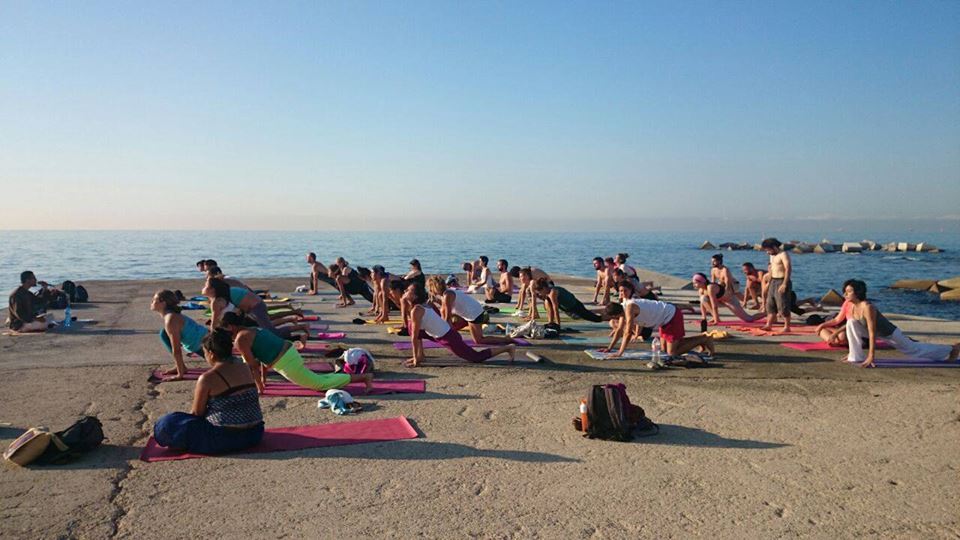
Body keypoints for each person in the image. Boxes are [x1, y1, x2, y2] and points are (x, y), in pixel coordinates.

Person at [152, 328, 265, 454]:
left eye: (204, 353)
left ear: (211, 354)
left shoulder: (207, 378)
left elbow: (197, 413)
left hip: (224, 439)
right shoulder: (245, 367)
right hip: (255, 434)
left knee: (167, 423)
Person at [222, 312, 373, 392]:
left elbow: (252, 365)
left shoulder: (241, 339)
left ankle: (364, 377)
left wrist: (260, 388)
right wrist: (263, 382)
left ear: (230, 326)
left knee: (318, 384)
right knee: (316, 378)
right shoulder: (251, 330)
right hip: (288, 353)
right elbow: (260, 359)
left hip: (286, 362)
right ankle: (355, 377)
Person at [839, 279, 959, 367]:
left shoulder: (867, 307)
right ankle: (855, 356)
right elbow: (852, 327)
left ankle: (951, 349)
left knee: (914, 350)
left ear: (858, 293)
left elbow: (872, 332)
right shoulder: (851, 305)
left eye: (849, 292)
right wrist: (851, 351)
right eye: (845, 291)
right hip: (877, 333)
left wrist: (871, 356)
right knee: (851, 323)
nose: (845, 294)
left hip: (890, 333)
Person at [404, 283, 515, 367]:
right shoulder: (421, 306)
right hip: (438, 334)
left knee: (476, 358)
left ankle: (507, 348)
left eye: (407, 291)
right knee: (412, 327)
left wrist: (415, 360)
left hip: (448, 337)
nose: (405, 292)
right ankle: (421, 356)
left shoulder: (417, 310)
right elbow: (417, 334)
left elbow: (414, 337)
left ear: (414, 296)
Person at [600, 281, 716, 360]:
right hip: (663, 320)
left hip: (671, 316)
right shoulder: (622, 307)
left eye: (614, 317)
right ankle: (701, 339)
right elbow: (620, 330)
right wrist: (610, 348)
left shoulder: (629, 308)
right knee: (665, 350)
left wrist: (620, 353)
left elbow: (627, 333)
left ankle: (704, 338)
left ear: (617, 313)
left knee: (672, 353)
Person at [427, 275, 512, 345]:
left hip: (475, 314)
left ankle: (506, 340)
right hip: (471, 313)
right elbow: (446, 307)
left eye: (430, 289)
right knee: (451, 324)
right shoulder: (447, 293)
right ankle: (454, 337)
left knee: (479, 340)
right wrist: (436, 301)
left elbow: (447, 315)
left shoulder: (447, 295)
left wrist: (443, 330)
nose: (430, 291)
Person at [203, 278, 301, 337]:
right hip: (254, 307)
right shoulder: (223, 295)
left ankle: (301, 330)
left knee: (271, 333)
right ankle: (294, 324)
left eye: (206, 286)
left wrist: (212, 332)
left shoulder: (220, 298)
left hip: (256, 307)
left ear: (213, 289)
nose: (203, 288)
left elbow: (216, 318)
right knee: (266, 328)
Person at [152, 289, 208, 380]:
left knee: (227, 367)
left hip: (208, 345)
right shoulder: (171, 316)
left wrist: (180, 375)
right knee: (164, 333)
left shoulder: (171, 319)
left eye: (154, 300)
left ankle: (181, 368)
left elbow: (177, 350)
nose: (152, 302)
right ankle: (181, 366)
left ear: (163, 303)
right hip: (201, 344)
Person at [691, 273, 762, 324]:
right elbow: (702, 304)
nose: (694, 285)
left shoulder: (710, 287)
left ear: (702, 282)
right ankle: (715, 317)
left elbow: (714, 305)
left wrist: (716, 321)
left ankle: (767, 314)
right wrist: (704, 318)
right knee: (703, 298)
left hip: (730, 301)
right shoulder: (701, 290)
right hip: (720, 301)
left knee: (749, 319)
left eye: (695, 283)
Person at [531, 278, 603, 327]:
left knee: (596, 319)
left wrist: (558, 325)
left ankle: (609, 316)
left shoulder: (553, 293)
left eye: (540, 292)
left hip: (575, 306)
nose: (540, 294)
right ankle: (551, 322)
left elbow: (555, 310)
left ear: (544, 288)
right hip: (567, 309)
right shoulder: (547, 293)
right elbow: (550, 308)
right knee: (547, 301)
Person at [760, 238, 793, 334]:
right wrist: (768, 281)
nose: (767, 252)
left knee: (783, 305)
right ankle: (768, 324)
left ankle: (787, 326)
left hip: (782, 280)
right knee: (770, 304)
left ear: (774, 247)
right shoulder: (772, 255)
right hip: (773, 280)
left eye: (768, 250)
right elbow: (771, 268)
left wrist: (785, 284)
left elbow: (788, 268)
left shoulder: (783, 254)